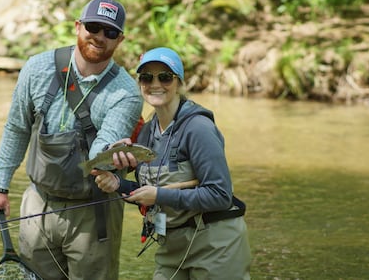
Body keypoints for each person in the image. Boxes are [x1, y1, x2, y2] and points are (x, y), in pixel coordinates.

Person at [0, 0, 143, 280]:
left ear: (120, 39)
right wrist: (0, 186)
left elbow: (102, 146)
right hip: (37, 203)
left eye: (110, 32)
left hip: (94, 210)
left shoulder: (126, 93)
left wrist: (109, 155)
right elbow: (17, 129)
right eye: (93, 27)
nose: (99, 37)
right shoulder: (37, 68)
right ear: (78, 26)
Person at [93, 47, 252, 279]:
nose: (155, 83)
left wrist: (159, 196)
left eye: (165, 77)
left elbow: (220, 195)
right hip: (171, 245)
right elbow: (146, 193)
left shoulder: (198, 129)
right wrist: (117, 184)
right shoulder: (146, 133)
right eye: (146, 77)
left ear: (179, 83)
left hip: (215, 244)